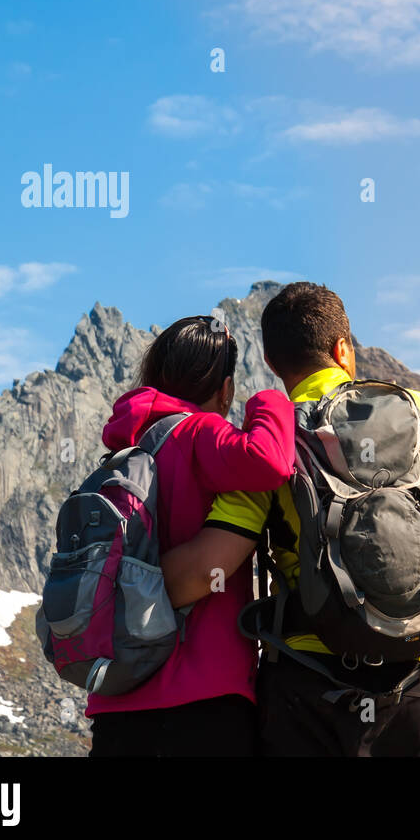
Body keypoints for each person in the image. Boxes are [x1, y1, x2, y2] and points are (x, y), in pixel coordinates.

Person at [161, 282, 420, 756]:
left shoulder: (272, 446)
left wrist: (117, 590)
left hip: (306, 687)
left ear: (274, 366)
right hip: (416, 686)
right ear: (343, 349)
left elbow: (205, 571)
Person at [86, 315, 295, 757]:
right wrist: (269, 401)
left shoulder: (123, 452)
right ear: (224, 388)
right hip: (201, 699)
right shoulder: (199, 431)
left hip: (117, 701)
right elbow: (270, 462)